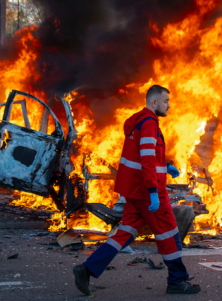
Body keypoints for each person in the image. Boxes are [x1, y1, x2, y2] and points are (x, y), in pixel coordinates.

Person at [73, 85, 200, 296]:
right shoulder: (149, 124)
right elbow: (147, 159)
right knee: (169, 234)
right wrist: (153, 192)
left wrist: (165, 167)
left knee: (124, 233)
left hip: (134, 192)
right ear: (154, 103)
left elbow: (143, 156)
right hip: (148, 193)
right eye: (166, 101)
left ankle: (87, 269)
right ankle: (177, 280)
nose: (169, 105)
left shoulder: (138, 121)